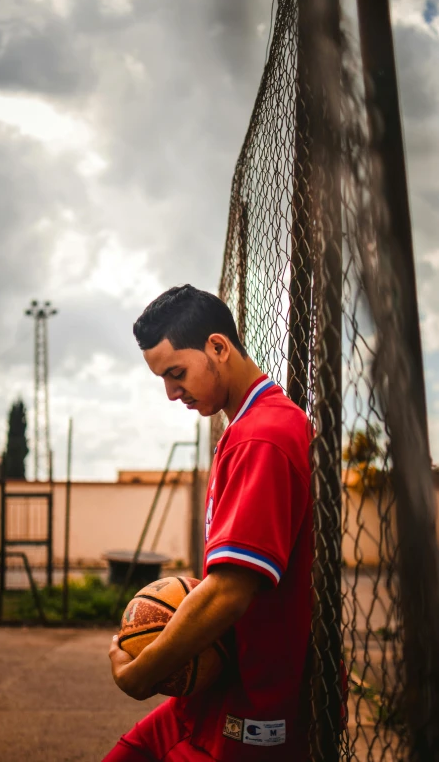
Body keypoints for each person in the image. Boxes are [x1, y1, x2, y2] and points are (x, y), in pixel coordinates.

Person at [104, 284, 313, 761]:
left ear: (218, 347)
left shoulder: (262, 437)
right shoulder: (247, 425)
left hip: (255, 706)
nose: (171, 392)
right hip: (218, 688)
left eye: (176, 373)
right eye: (163, 379)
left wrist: (142, 673)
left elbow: (231, 589)